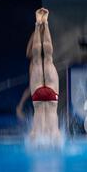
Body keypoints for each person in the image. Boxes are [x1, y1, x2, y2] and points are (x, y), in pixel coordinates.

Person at [29, 8, 60, 141]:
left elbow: (31, 140)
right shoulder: (54, 137)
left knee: (38, 60)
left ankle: (39, 24)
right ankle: (44, 23)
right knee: (47, 58)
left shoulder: (36, 136)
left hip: (38, 99)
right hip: (50, 100)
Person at [16, 33, 34, 121]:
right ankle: (19, 107)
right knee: (32, 88)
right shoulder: (35, 35)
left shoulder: (47, 35)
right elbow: (28, 53)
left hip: (44, 65)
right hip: (35, 64)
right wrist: (37, 54)